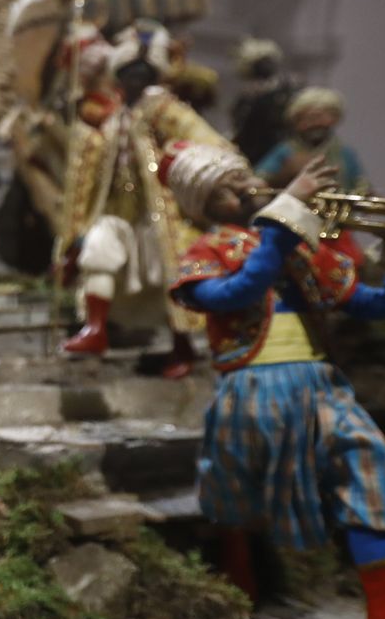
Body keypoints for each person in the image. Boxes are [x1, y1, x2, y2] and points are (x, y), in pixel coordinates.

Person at [162, 141, 385, 619]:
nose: (248, 189)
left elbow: (375, 306)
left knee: (373, 471)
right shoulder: (209, 248)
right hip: (248, 390)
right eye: (228, 186)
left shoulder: (297, 246)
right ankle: (239, 571)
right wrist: (282, 220)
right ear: (203, 202)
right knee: (234, 485)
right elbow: (240, 289)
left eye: (245, 178)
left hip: (320, 387)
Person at [60, 20, 231, 378]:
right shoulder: (112, 118)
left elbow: (208, 142)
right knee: (98, 250)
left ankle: (181, 344)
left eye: (142, 72)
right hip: (117, 211)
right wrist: (74, 230)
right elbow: (92, 173)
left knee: (167, 276)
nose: (134, 79)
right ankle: (95, 329)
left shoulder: (164, 110)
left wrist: (177, 161)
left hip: (160, 213)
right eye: (128, 72)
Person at [255, 86, 368, 194]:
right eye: (307, 118)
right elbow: (259, 181)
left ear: (334, 118)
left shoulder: (344, 153)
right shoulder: (286, 151)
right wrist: (286, 172)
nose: (314, 124)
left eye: (320, 117)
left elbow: (360, 184)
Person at [230, 36, 298, 166]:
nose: (265, 66)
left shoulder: (284, 90)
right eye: (261, 63)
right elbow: (240, 123)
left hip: (277, 146)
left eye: (268, 62)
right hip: (251, 148)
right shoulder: (247, 95)